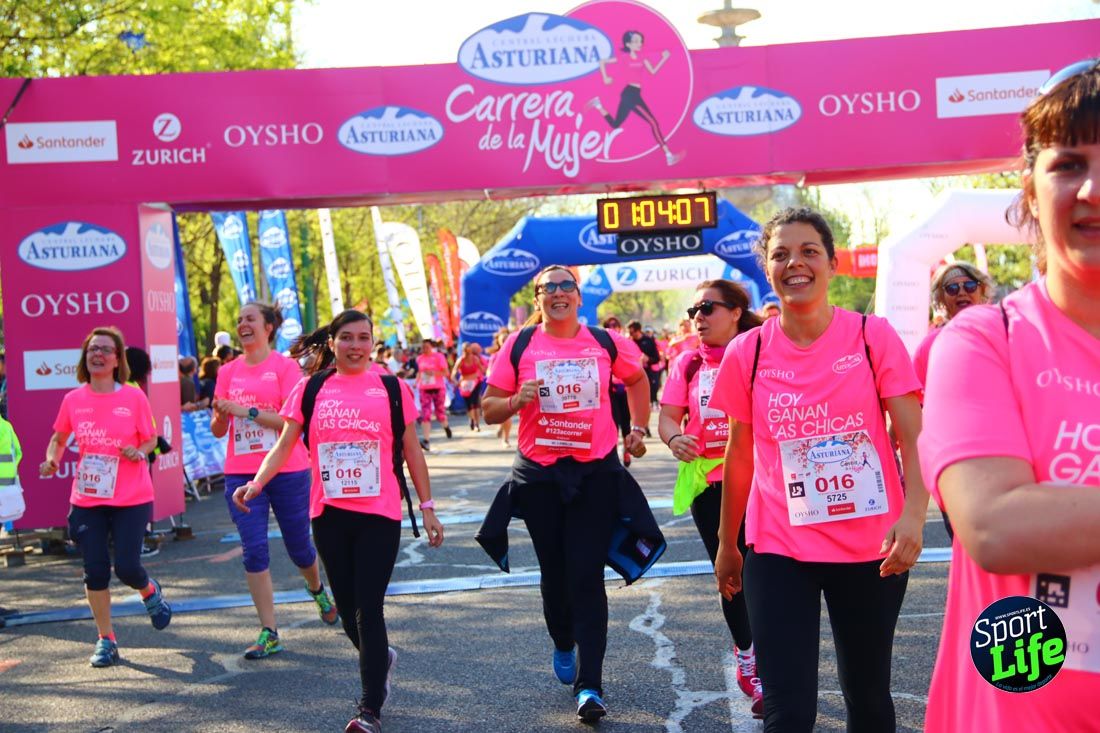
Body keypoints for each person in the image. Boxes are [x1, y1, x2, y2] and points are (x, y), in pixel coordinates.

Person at [919, 58, 1100, 733]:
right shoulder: (980, 340)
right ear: (1028, 186)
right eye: (1069, 164)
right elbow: (995, 526)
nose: (1094, 189)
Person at [711, 207, 928, 730]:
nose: (796, 263)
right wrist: (727, 543)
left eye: (809, 251)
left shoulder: (872, 337)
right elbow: (739, 454)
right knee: (787, 712)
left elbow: (915, 436)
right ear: (767, 269)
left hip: (870, 548)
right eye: (781, 254)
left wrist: (915, 514)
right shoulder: (749, 351)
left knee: (868, 697)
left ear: (832, 264)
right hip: (780, 548)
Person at [234, 309, 444, 733]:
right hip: (328, 514)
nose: (355, 346)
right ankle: (380, 660)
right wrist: (256, 484)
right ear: (332, 342)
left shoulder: (392, 387)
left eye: (363, 338)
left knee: (369, 610)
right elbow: (285, 444)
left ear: (372, 343)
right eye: (346, 338)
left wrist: (427, 505)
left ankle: (369, 709)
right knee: (348, 611)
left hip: (379, 514)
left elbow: (412, 450)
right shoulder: (311, 389)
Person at [482, 265, 652, 722]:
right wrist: (517, 400)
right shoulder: (519, 345)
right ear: (538, 299)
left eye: (566, 286)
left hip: (595, 474)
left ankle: (590, 685)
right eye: (548, 288)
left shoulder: (603, 342)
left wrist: (636, 429)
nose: (557, 293)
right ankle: (562, 640)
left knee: (586, 575)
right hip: (539, 477)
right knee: (555, 576)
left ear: (579, 297)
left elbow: (636, 380)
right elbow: (489, 407)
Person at [658, 279, 765, 714]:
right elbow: (667, 419)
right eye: (693, 311)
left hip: (765, 484)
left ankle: (772, 665)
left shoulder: (762, 351)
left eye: (707, 308)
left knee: (770, 575)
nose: (697, 318)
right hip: (711, 488)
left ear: (736, 311)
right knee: (732, 576)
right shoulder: (685, 364)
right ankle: (748, 659)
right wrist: (675, 439)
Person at [211, 301, 338, 659]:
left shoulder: (284, 368)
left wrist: (247, 411)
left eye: (249, 318)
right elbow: (218, 428)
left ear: (268, 327)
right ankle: (269, 631)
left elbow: (290, 425)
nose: (242, 324)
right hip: (240, 470)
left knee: (299, 546)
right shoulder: (228, 371)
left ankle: (316, 588)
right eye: (238, 320)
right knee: (254, 549)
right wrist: (222, 416)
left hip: (288, 469)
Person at [39, 327, 172, 667]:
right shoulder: (74, 400)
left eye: (104, 349)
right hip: (88, 497)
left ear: (117, 359)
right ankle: (106, 639)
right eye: (91, 349)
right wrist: (53, 458)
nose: (97, 354)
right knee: (95, 571)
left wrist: (138, 450)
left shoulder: (133, 396)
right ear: (86, 358)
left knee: (127, 566)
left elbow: (151, 439)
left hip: (131, 496)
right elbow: (59, 438)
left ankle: (149, 591)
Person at [586, 30, 682, 166]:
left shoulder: (642, 58)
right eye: (636, 41)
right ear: (628, 44)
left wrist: (664, 58)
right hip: (630, 94)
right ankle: (668, 155)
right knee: (653, 123)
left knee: (615, 124)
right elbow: (603, 62)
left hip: (634, 93)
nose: (639, 44)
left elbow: (653, 71)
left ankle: (598, 105)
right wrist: (605, 78)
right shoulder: (624, 57)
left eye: (640, 41)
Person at [912, 261, 995, 386]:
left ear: (982, 290)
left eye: (970, 285)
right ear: (941, 297)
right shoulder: (929, 345)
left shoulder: (998, 335)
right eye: (952, 289)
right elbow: (916, 397)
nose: (961, 292)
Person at [602, 316, 633, 464]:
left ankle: (627, 452)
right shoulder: (602, 343)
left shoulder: (626, 342)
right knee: (612, 424)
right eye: (609, 325)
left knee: (626, 424)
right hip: (610, 393)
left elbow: (636, 365)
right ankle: (612, 456)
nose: (613, 327)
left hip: (625, 391)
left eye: (615, 325)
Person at [414, 338, 452, 451]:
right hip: (425, 389)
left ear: (432, 347)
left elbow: (446, 372)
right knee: (425, 414)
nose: (424, 349)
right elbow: (420, 372)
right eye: (423, 347)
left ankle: (446, 427)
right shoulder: (420, 358)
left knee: (440, 413)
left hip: (438, 388)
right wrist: (416, 383)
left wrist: (434, 373)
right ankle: (426, 441)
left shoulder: (439, 357)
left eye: (427, 347)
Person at [485, 328, 514, 449]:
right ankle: (504, 437)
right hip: (499, 387)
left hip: (513, 386)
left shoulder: (517, 353)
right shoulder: (495, 356)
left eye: (507, 339)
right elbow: (489, 371)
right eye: (503, 340)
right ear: (499, 342)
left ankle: (504, 435)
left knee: (508, 414)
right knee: (505, 414)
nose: (505, 341)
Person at [627, 320, 661, 412]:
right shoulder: (629, 342)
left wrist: (648, 359)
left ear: (638, 330)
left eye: (632, 332)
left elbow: (657, 358)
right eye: (629, 332)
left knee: (647, 398)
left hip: (647, 374)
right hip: (634, 374)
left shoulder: (649, 341)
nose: (630, 334)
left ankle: (645, 423)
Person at [452, 342, 487, 431]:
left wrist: (485, 369)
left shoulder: (475, 359)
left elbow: (482, 369)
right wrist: (456, 381)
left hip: (475, 382)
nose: (468, 352)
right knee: (469, 405)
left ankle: (476, 424)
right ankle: (472, 419)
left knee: (475, 403)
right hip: (465, 384)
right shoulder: (461, 360)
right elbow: (453, 373)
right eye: (466, 350)